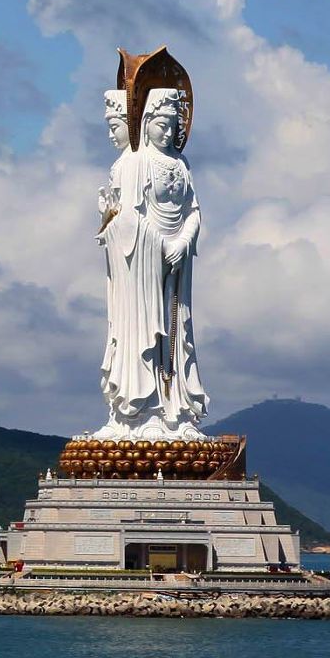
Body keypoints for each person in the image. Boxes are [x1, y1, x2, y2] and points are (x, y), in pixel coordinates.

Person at [95, 86, 207, 437]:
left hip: (176, 265)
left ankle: (176, 408)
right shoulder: (134, 163)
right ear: (145, 123)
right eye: (162, 123)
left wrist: (184, 242)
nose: (169, 131)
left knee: (177, 336)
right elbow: (128, 218)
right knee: (141, 330)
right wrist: (161, 245)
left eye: (174, 124)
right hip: (141, 267)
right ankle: (140, 411)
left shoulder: (181, 164)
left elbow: (194, 211)